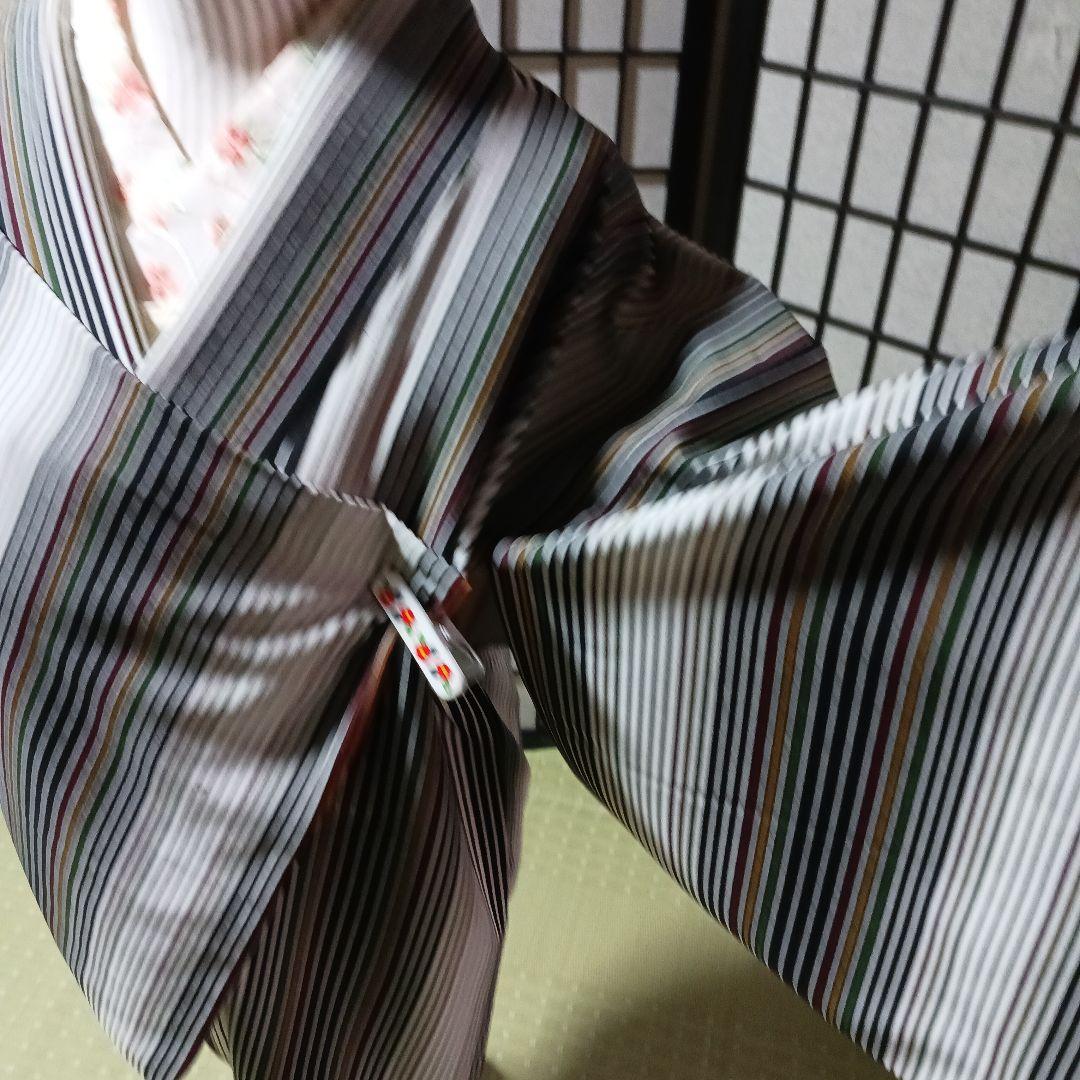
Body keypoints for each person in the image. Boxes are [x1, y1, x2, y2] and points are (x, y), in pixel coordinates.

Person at [0, 0, 1075, 1077]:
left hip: (352, 795)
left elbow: (710, 499)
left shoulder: (513, 190)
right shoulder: (22, 72)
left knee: (353, 1024)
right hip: (89, 757)